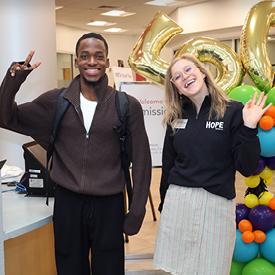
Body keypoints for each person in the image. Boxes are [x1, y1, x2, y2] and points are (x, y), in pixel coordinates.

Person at [0, 33, 152, 275]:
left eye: (98, 56)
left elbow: (142, 160)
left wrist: (137, 210)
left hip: (109, 205)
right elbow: (6, 117)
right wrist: (13, 81)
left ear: (107, 61)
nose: (92, 61)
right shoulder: (57, 101)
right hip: (68, 204)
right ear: (76, 62)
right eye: (85, 56)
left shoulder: (127, 105)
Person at [153, 53, 271, 275]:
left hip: (216, 203)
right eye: (177, 76)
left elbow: (246, 167)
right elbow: (168, 165)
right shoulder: (175, 116)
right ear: (176, 87)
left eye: (188, 70)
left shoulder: (233, 110)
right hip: (179, 202)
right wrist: (163, 203)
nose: (185, 77)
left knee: (213, 269)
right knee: (179, 269)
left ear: (202, 72)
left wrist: (249, 127)